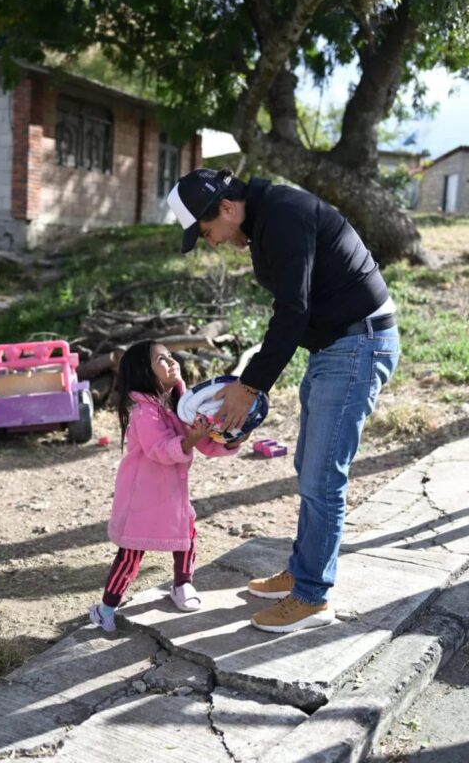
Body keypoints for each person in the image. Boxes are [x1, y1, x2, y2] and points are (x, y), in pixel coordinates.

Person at [167, 169, 400, 633]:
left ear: (228, 209)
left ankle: (312, 596)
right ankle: (303, 570)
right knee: (308, 466)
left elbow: (293, 310)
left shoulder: (284, 216)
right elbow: (296, 309)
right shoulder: (269, 219)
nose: (210, 241)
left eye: (207, 230)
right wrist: (251, 380)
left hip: (358, 345)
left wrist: (249, 387)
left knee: (322, 474)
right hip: (337, 346)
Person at [89, 340, 239, 632]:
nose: (172, 362)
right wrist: (195, 437)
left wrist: (231, 438)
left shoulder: (181, 405)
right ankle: (106, 608)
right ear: (145, 371)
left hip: (171, 494)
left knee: (187, 533)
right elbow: (160, 449)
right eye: (162, 360)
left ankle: (183, 584)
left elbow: (207, 443)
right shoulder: (144, 413)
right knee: (131, 552)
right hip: (142, 497)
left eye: (171, 357)